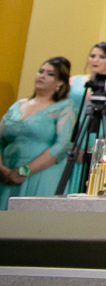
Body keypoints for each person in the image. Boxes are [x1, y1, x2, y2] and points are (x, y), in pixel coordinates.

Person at [0, 57, 75, 209]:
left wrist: (24, 171)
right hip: (5, 173)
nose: (42, 75)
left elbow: (63, 144)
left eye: (50, 74)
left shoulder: (63, 107)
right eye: (40, 71)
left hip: (40, 174)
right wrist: (1, 167)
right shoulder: (18, 105)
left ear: (60, 83)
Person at [65, 42, 106, 194]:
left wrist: (94, 149)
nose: (95, 60)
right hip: (69, 136)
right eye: (92, 56)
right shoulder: (73, 81)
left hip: (98, 138)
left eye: (101, 57)